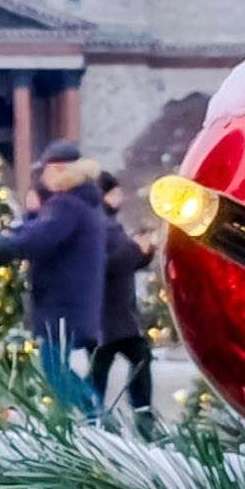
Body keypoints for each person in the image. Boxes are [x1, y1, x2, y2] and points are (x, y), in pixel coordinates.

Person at [0, 138, 108, 408]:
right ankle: (94, 424)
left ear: (60, 170)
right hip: (74, 304)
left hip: (61, 306)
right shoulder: (84, 204)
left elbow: (39, 239)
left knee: (57, 373)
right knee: (59, 370)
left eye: (46, 170)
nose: (43, 176)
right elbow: (37, 230)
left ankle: (98, 425)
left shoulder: (66, 205)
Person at [89, 167, 157, 429]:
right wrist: (134, 249)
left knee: (124, 362)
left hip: (118, 313)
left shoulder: (109, 225)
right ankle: (107, 413)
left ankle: (106, 413)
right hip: (107, 314)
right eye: (115, 192)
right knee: (107, 366)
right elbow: (103, 264)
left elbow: (125, 262)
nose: (119, 198)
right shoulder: (98, 225)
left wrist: (145, 252)